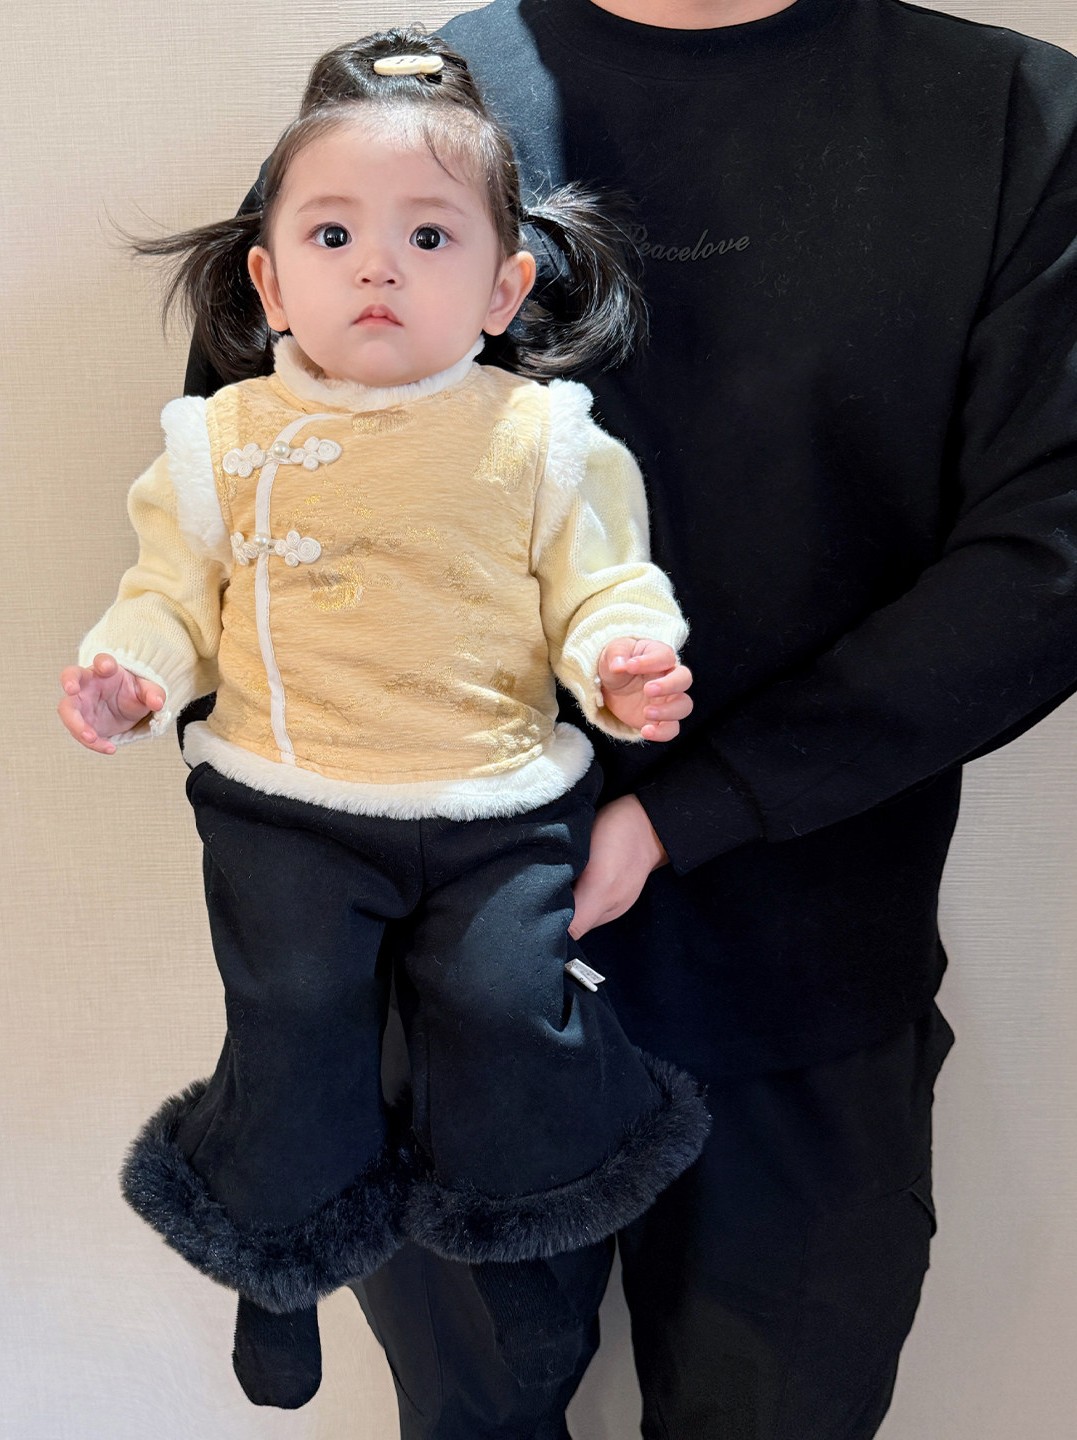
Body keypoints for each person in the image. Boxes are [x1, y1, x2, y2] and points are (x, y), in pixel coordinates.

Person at [179, 1, 1077, 1437]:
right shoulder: (417, 104)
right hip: (441, 985)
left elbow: (1047, 568)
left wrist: (683, 814)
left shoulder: (1014, 119)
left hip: (811, 981)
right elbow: (240, 518)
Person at [57, 29, 713, 1414]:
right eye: (334, 234)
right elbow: (169, 596)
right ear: (269, 280)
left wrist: (625, 661)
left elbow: (603, 586)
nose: (378, 268)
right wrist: (130, 671)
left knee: (502, 1011)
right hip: (286, 802)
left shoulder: (543, 441)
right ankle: (276, 1262)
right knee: (296, 1022)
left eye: (428, 236)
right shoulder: (223, 443)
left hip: (494, 806)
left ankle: (539, 1218)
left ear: (503, 285)